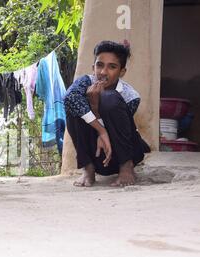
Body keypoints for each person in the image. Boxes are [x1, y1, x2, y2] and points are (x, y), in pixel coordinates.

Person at [64, 40, 150, 187]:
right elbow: (69, 98)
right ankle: (88, 169)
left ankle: (126, 168)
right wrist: (100, 130)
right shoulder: (85, 82)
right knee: (73, 107)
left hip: (120, 153)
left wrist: (96, 107)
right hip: (96, 155)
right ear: (93, 67)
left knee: (109, 98)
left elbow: (119, 130)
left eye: (112, 67)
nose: (103, 72)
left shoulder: (131, 96)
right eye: (99, 65)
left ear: (122, 72)